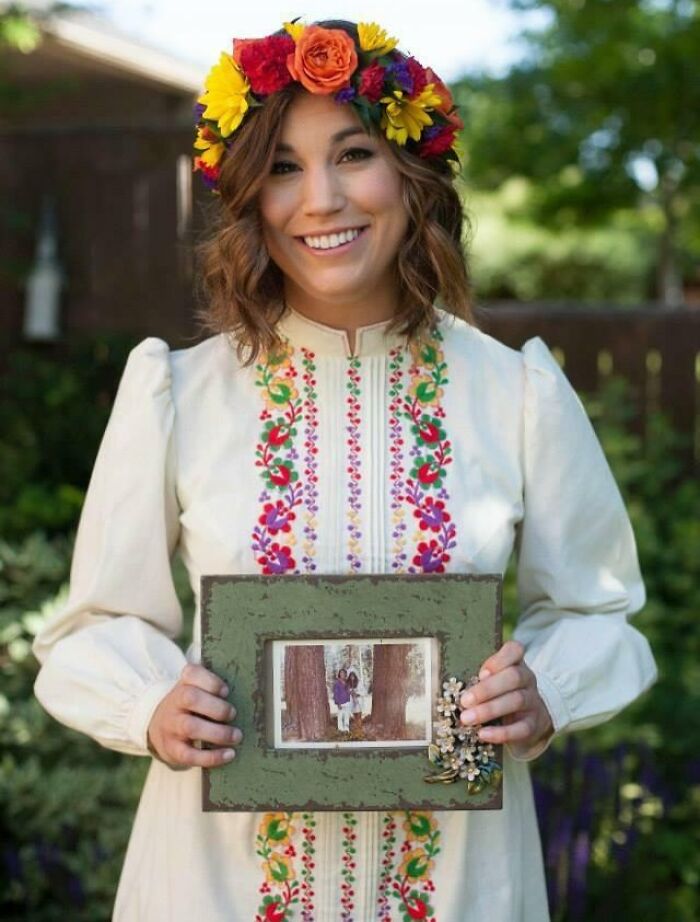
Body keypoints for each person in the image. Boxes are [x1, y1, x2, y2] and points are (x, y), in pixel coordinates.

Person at [32, 17, 657, 922]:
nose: (321, 199)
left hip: (459, 886)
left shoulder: (515, 390)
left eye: (353, 155)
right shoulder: (177, 392)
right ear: (249, 196)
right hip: (217, 883)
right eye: (283, 167)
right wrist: (151, 703)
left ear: (410, 173)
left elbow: (597, 609)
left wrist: (547, 689)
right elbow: (93, 625)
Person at [333, 668, 352, 733]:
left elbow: (348, 691)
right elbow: (335, 694)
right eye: (341, 673)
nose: (342, 674)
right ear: (339, 674)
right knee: (340, 716)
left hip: (347, 702)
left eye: (343, 673)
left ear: (345, 674)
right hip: (340, 702)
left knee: (346, 716)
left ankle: (346, 729)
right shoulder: (337, 683)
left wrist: (349, 692)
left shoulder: (347, 683)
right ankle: (340, 729)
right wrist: (338, 703)